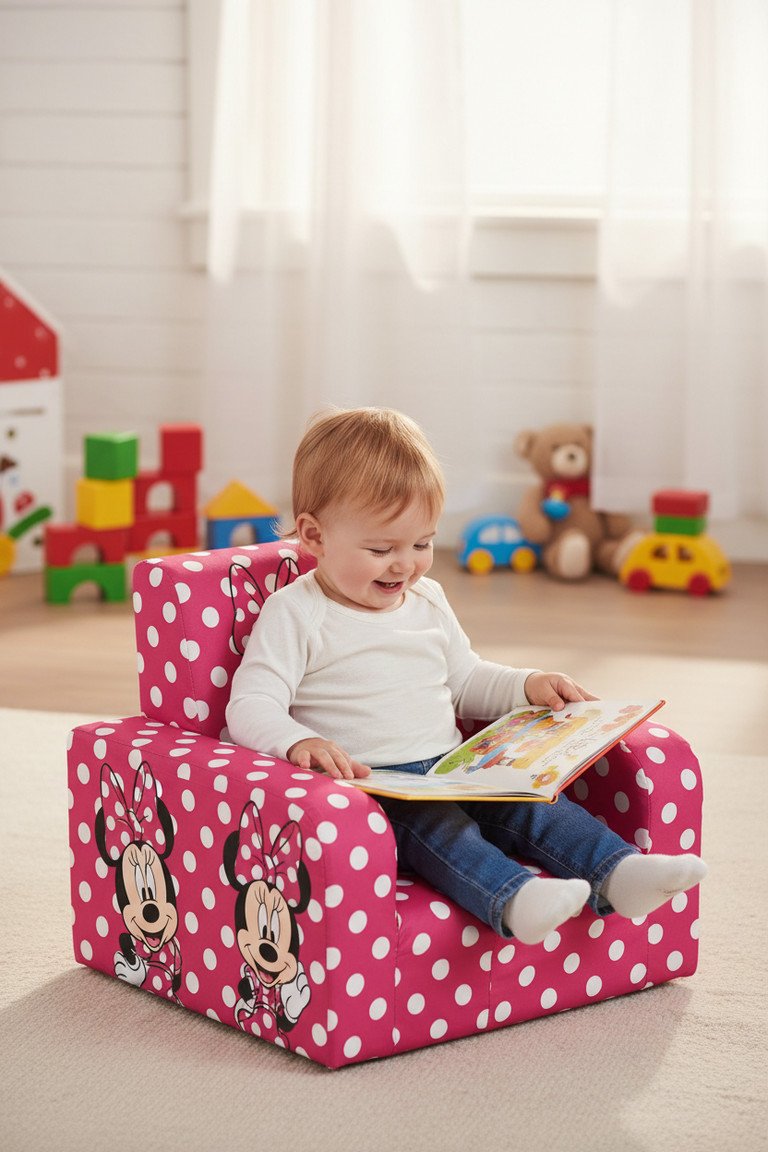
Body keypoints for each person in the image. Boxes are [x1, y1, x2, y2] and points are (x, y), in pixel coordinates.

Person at [226, 407, 707, 944]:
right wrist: (299, 742)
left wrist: (526, 684)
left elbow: (465, 676)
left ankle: (619, 872)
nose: (404, 565)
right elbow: (250, 705)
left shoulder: (427, 599)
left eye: (422, 544)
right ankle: (515, 898)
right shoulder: (297, 612)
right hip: (376, 790)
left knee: (535, 806)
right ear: (314, 535)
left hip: (454, 767)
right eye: (381, 549)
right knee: (444, 832)